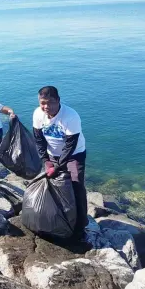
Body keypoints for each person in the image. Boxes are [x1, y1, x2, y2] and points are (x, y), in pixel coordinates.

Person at [32, 86, 88, 239]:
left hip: (74, 155)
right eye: (43, 103)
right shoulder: (38, 114)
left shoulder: (71, 116)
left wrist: (57, 166)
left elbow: (71, 145)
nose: (46, 107)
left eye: (50, 103)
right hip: (51, 155)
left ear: (58, 101)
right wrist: (46, 161)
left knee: (76, 186)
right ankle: (56, 219)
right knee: (52, 185)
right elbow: (38, 139)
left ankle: (81, 225)